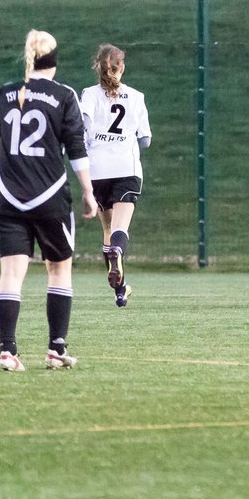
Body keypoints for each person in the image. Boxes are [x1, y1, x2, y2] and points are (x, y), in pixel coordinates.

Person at [0, 29, 98, 371]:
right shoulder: (63, 96)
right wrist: (88, 192)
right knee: (59, 269)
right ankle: (56, 350)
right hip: (50, 198)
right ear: (55, 61)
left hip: (7, 200)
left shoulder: (4, 94)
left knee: (11, 272)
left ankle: (7, 351)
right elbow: (77, 149)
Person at [79, 44, 151, 307]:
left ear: (98, 67)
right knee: (119, 230)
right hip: (126, 169)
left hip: (97, 171)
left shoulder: (88, 95)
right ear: (122, 68)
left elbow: (82, 128)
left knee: (107, 229)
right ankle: (118, 254)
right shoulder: (136, 97)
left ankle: (120, 290)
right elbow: (145, 140)